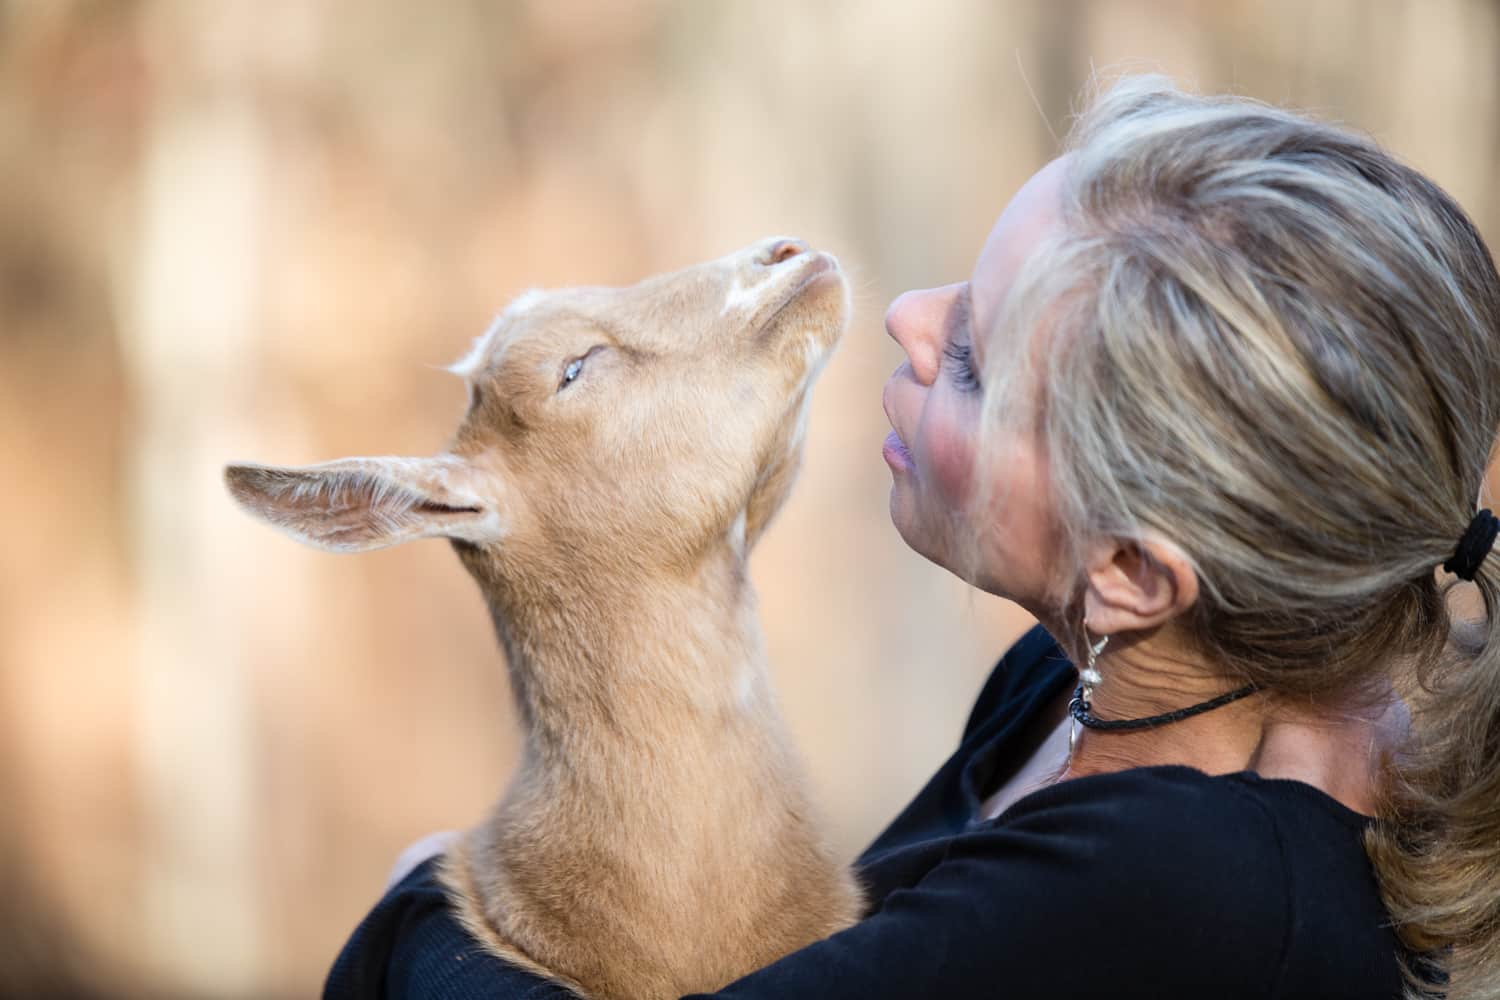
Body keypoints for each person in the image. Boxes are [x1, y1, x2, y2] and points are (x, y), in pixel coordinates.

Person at [324, 74, 1500, 999]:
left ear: (1135, 571)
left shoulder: (1193, 882)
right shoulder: (1079, 679)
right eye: (962, 288)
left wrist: (425, 904)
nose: (904, 320)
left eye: (977, 365)